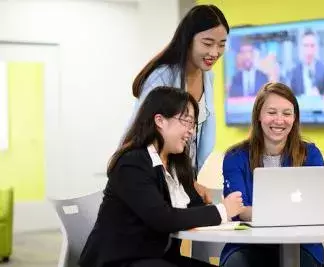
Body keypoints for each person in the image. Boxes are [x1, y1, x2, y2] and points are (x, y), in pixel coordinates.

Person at [79, 87, 245, 267]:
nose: (190, 131)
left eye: (193, 124)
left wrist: (212, 205)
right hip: (121, 261)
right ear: (160, 121)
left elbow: (193, 208)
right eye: (186, 121)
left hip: (157, 258)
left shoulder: (175, 165)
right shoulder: (132, 162)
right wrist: (222, 211)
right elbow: (162, 218)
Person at [129, 4, 229, 204]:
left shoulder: (208, 77)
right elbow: (143, 134)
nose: (214, 52)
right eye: (207, 43)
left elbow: (197, 139)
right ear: (188, 40)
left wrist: (189, 181)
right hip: (154, 178)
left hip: (182, 179)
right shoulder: (162, 76)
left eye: (221, 44)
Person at [220, 82, 324, 267]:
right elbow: (239, 210)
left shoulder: (311, 154)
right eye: (271, 112)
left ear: (294, 118)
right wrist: (290, 216)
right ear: (258, 116)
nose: (279, 120)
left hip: (301, 245)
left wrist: (263, 214)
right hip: (248, 246)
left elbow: (316, 208)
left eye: (287, 113)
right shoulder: (235, 157)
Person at [290, 30, 324, 97]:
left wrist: (320, 97)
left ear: (317, 47)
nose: (309, 50)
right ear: (301, 47)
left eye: (312, 46)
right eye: (306, 45)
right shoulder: (294, 71)